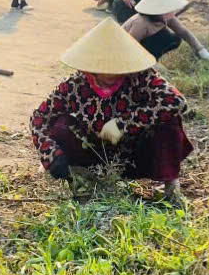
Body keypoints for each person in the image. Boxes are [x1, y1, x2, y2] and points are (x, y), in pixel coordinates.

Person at [30, 18, 193, 202]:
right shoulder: (74, 84)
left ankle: (169, 185)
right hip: (91, 154)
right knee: (61, 125)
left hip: (133, 155)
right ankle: (78, 176)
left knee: (169, 122)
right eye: (104, 66)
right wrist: (51, 154)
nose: (111, 72)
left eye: (116, 66)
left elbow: (176, 101)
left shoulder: (141, 76)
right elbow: (39, 116)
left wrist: (124, 123)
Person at [122, 0, 209, 61]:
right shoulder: (140, 23)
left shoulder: (165, 17)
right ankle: (150, 61)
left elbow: (184, 32)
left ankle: (154, 58)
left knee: (174, 38)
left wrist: (201, 50)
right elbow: (129, 47)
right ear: (158, 11)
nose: (172, 13)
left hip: (147, 42)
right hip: (128, 47)